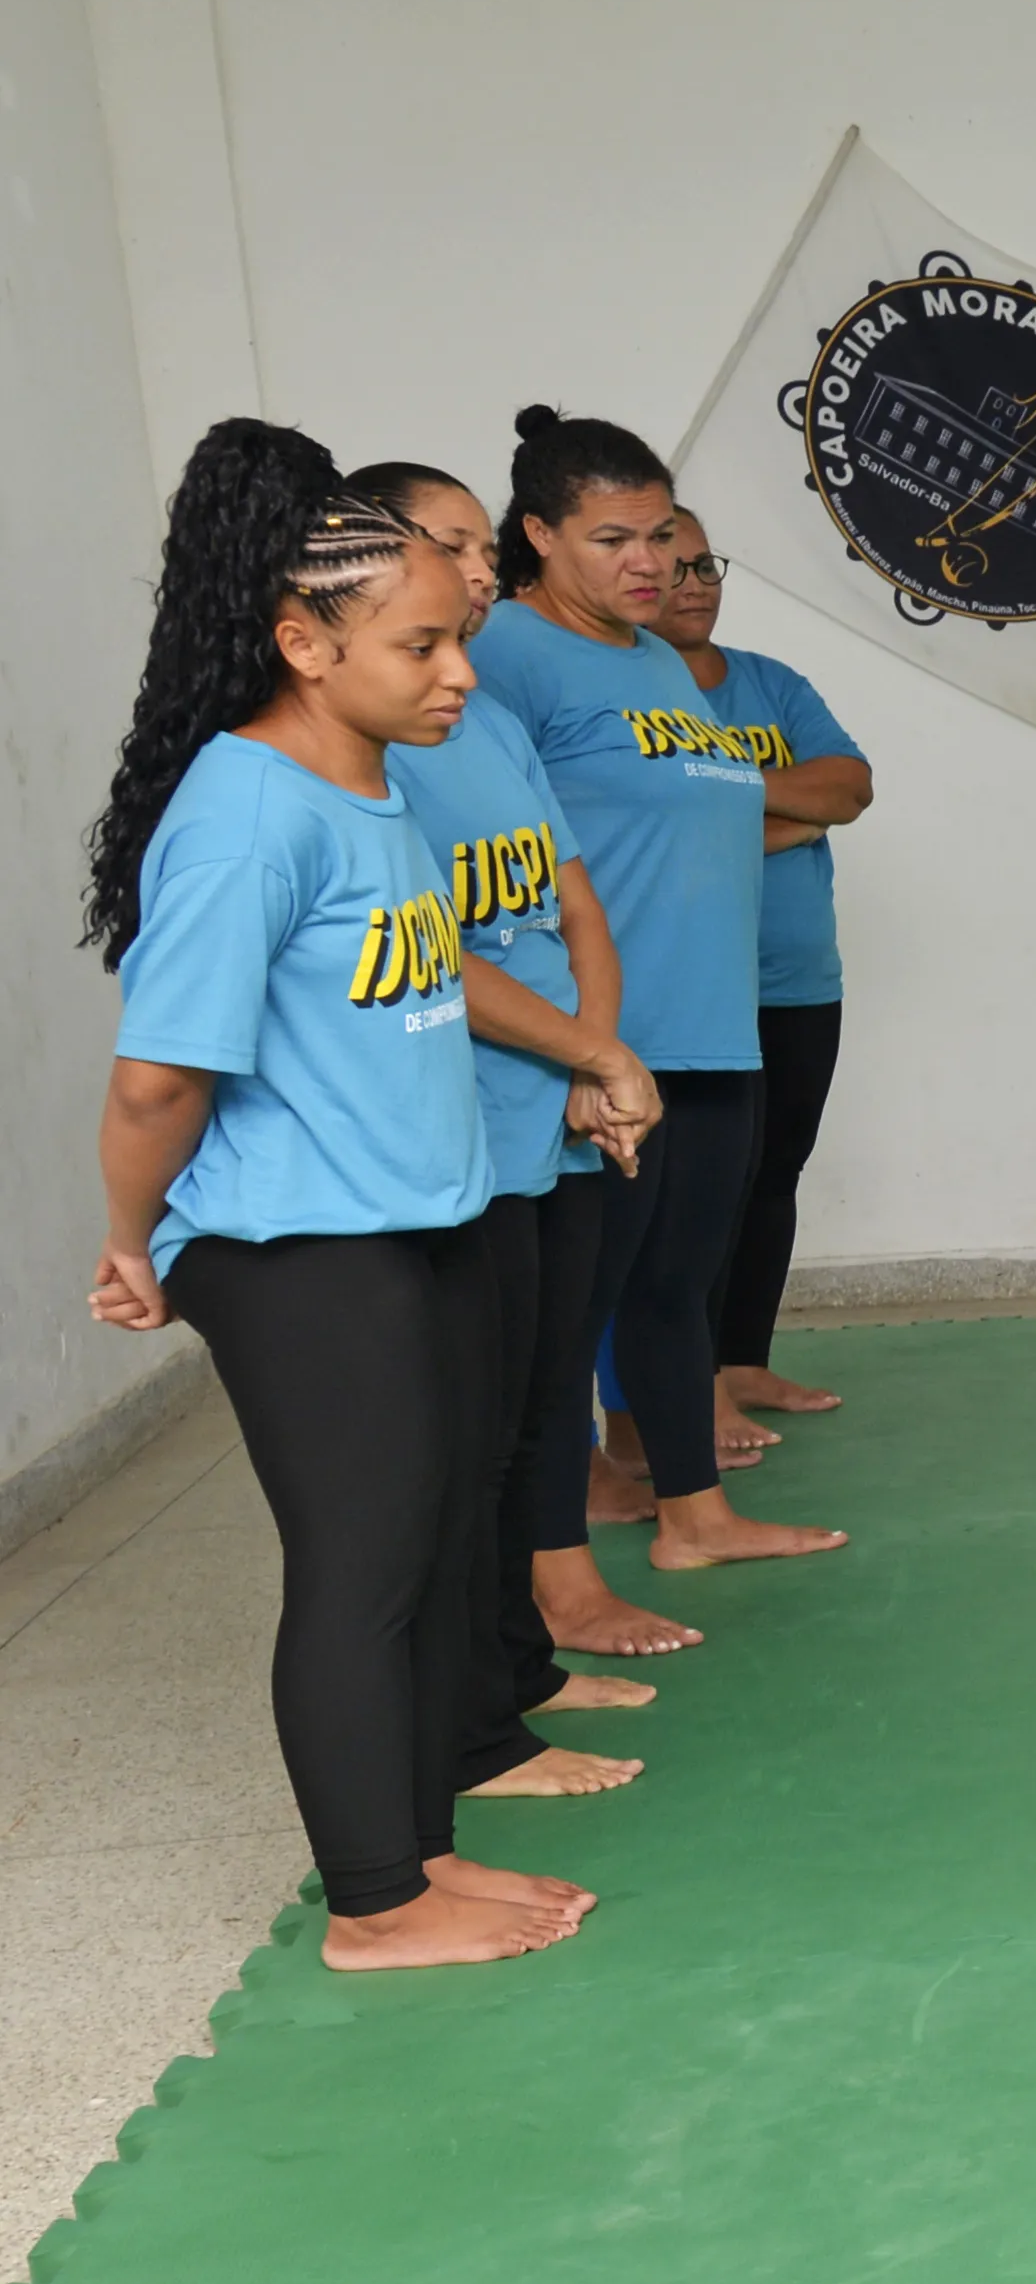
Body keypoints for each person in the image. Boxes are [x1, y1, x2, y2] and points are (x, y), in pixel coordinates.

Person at [76, 421, 596, 1970]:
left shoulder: (370, 790)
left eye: (456, 637)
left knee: (436, 1541)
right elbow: (160, 1078)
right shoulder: (245, 814)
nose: (457, 671)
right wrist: (128, 1235)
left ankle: (420, 1845)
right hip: (298, 1242)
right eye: (422, 643)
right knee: (365, 1566)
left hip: (410, 1221)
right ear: (305, 642)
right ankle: (375, 1905)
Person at [472, 406, 841, 1638]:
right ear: (537, 536)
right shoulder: (510, 656)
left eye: (664, 539)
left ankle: (693, 1517)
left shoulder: (647, 661)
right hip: (603, 1042)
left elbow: (715, 809)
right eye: (613, 538)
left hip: (713, 1021)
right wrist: (571, 1042)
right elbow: (486, 846)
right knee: (572, 1310)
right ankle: (555, 1560)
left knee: (677, 1284)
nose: (650, 565)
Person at [354, 456, 668, 1787]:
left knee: (541, 1403)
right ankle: (480, 1717)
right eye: (451, 548)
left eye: (484, 550)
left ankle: (521, 1668)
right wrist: (589, 1049)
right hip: (467, 1125)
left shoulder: (475, 708)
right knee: (468, 1437)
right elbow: (443, 954)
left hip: (554, 1112)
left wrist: (601, 1059)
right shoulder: (379, 741)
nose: (479, 575)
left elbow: (566, 898)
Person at [650, 516, 874, 1426]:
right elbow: (643, 823)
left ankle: (742, 1361)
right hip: (689, 985)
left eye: (707, 564)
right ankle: (687, 1385)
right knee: (697, 1190)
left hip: (796, 978)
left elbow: (848, 789)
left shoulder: (771, 684)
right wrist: (786, 811)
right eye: (674, 567)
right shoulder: (621, 696)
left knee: (774, 1171)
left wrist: (717, 794)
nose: (696, 582)